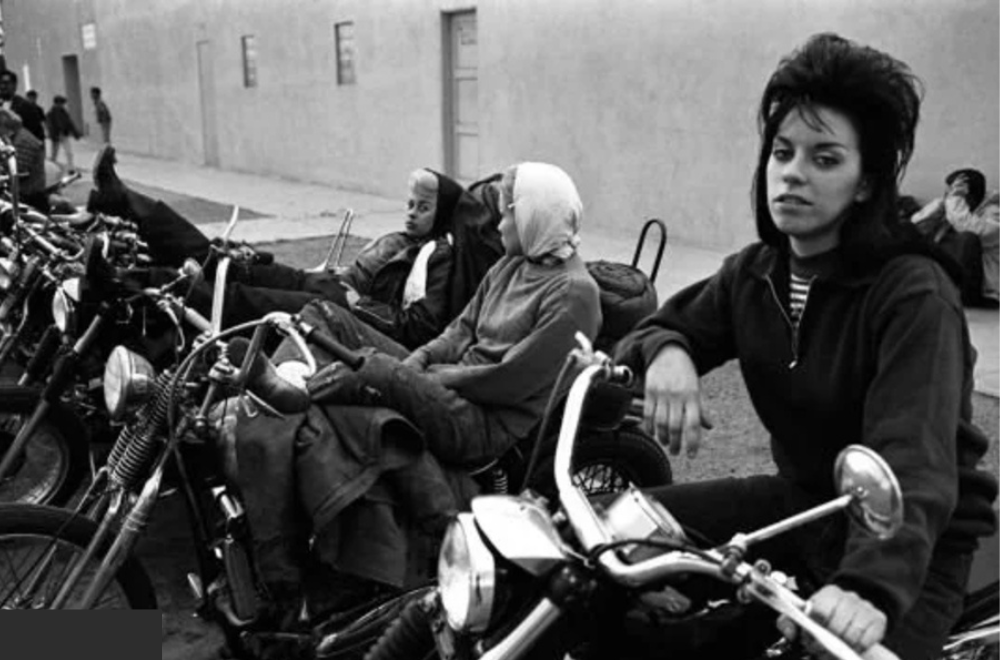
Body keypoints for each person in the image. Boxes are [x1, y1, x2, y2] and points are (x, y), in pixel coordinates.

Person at [612, 33, 997, 660]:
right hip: (808, 506)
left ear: (866, 183)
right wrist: (667, 351)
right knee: (614, 537)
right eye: (783, 152)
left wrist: (869, 587)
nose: (793, 173)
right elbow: (657, 328)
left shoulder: (912, 291)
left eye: (824, 159)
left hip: (915, 548)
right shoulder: (755, 272)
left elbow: (913, 451)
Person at [233, 161, 602, 628]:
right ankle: (289, 386)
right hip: (445, 385)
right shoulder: (512, 264)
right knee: (323, 315)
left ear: (532, 216)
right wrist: (414, 367)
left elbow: (509, 379)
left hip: (481, 421)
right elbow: (458, 329)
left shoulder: (574, 295)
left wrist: (405, 379)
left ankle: (297, 395)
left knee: (371, 372)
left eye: (507, 214)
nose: (500, 224)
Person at [85, 144, 499, 349]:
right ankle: (127, 205)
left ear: (443, 211)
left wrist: (359, 303)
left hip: (346, 309)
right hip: (326, 284)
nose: (410, 213)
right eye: (409, 204)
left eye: (423, 207)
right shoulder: (413, 240)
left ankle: (129, 283)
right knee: (227, 259)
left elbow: (420, 328)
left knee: (240, 297)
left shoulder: (439, 255)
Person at [911, 168, 999, 306]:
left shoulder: (994, 213)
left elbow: (971, 230)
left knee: (968, 239)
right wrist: (938, 208)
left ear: (969, 197)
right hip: (948, 278)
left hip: (982, 289)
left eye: (953, 193)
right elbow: (914, 228)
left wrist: (955, 201)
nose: (948, 196)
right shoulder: (953, 208)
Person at [0, 107, 48, 212]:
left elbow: (20, 172)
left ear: (4, 126)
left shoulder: (22, 141)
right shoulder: (14, 138)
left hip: (29, 195)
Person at [0, 71, 46, 142]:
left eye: (6, 83)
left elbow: (37, 135)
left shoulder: (25, 106)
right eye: (0, 83)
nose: (2, 86)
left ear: (15, 85)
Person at [46, 95, 81, 173]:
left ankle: (71, 168)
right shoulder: (51, 114)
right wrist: (53, 135)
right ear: (56, 103)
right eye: (61, 103)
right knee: (54, 154)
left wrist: (75, 133)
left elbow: (69, 123)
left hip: (64, 134)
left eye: (62, 104)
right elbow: (50, 126)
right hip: (56, 135)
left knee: (69, 152)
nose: (62, 105)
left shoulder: (63, 112)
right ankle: (52, 169)